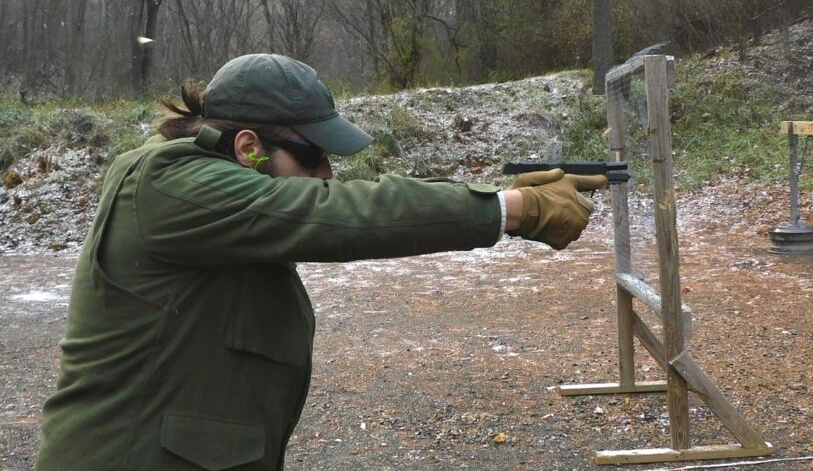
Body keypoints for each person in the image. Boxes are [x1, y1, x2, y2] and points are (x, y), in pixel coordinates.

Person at [36, 53, 606, 470]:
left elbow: (344, 204)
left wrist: (489, 194)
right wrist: (511, 209)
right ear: (248, 148)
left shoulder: (194, 187)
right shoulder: (170, 183)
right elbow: (343, 214)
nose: (326, 172)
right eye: (312, 155)